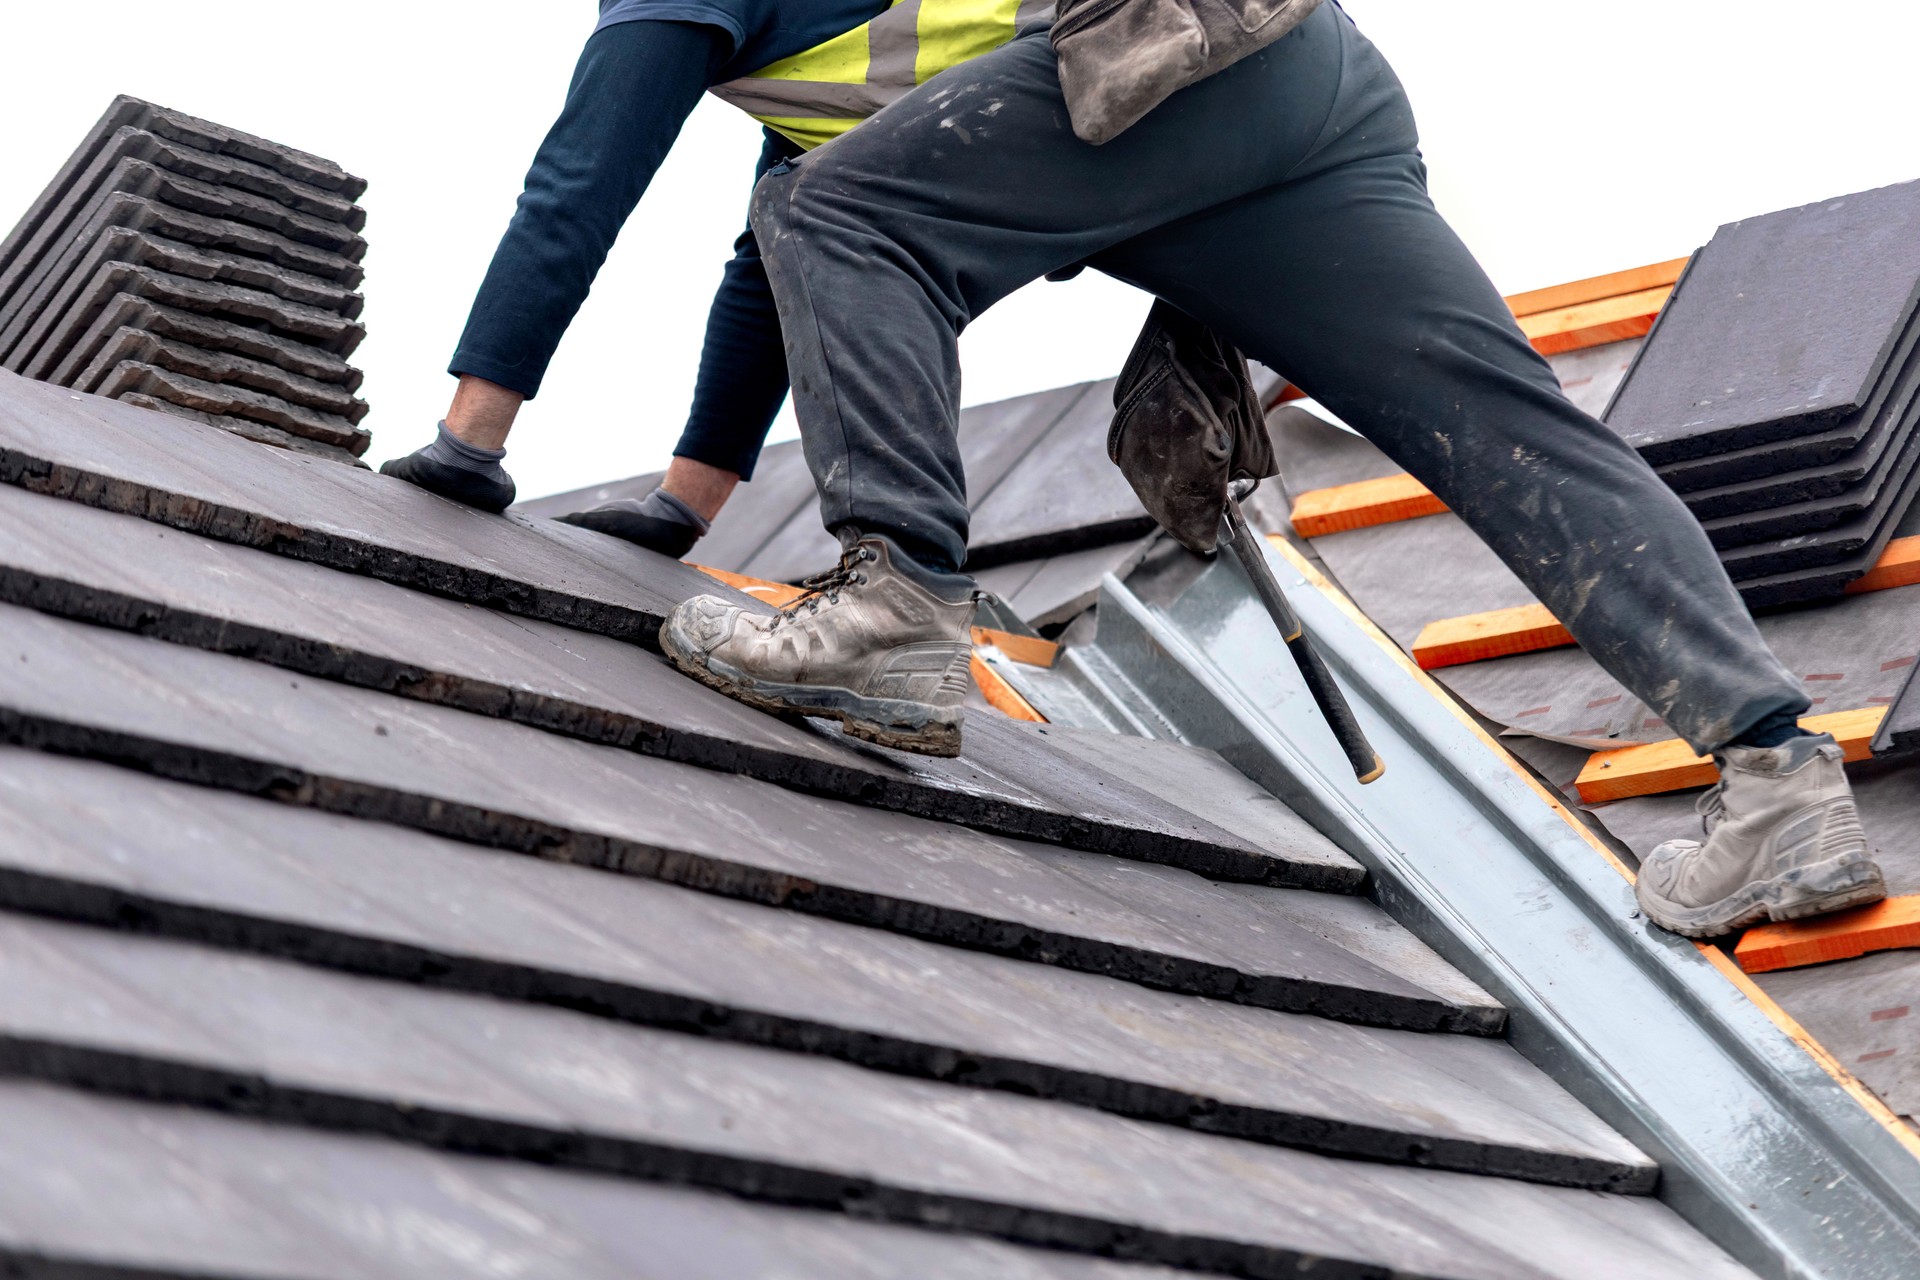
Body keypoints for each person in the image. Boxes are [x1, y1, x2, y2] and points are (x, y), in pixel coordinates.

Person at [659, 1, 1887, 937]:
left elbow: (731, 199)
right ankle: (1781, 778)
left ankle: (894, 607)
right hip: (1304, 66)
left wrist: (476, 438)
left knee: (834, 212)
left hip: (1167, 57)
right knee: (1516, 430)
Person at [380, 0, 1045, 559]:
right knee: (784, 236)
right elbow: (772, 261)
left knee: (582, 181)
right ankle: (685, 502)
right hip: (997, 83)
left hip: (1014, 82)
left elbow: (580, 185)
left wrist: (465, 455)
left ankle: (471, 439)